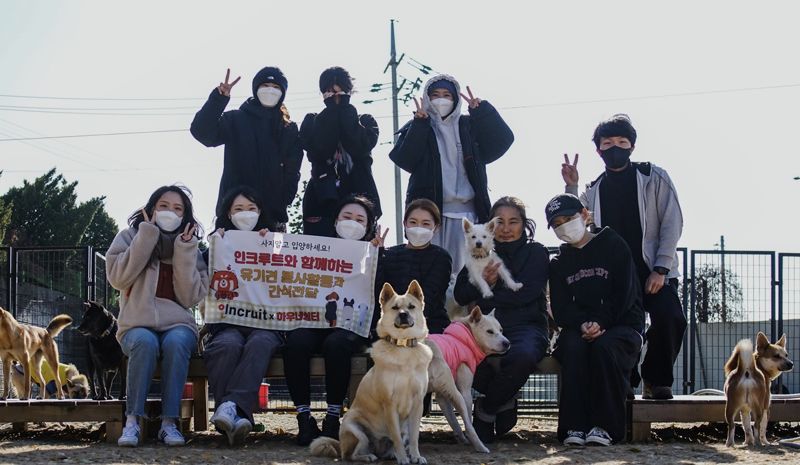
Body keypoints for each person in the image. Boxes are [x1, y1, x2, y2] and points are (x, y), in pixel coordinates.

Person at [561, 113, 685, 399]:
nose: (614, 147)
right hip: (615, 277)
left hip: (654, 270)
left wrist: (661, 268)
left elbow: (672, 221)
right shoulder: (594, 188)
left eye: (621, 141)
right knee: (619, 329)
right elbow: (575, 224)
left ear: (632, 146)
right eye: (607, 143)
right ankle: (625, 382)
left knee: (670, 318)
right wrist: (572, 186)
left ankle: (656, 381)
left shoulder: (653, 177)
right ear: (598, 150)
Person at [106, 185, 208, 447]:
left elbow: (189, 298)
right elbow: (118, 278)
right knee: (145, 341)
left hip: (178, 324)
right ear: (151, 209)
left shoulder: (191, 248)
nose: (170, 212)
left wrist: (185, 251)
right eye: (164, 206)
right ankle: (133, 422)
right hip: (135, 324)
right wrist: (147, 236)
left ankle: (169, 423)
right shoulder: (129, 237)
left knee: (175, 342)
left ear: (185, 216)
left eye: (178, 208)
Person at [284, 195, 386, 446]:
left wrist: (380, 257)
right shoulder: (317, 247)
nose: (352, 223)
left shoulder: (375, 253)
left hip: (351, 326)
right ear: (336, 221)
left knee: (337, 344)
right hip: (314, 320)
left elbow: (382, 291)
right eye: (346, 217)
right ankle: (303, 417)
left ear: (368, 225)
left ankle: (332, 417)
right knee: (295, 342)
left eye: (360, 219)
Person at [389, 74, 514, 277]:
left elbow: (502, 141)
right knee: (430, 274)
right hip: (431, 217)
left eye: (447, 95)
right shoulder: (419, 126)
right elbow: (405, 159)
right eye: (436, 94)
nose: (441, 99)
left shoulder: (468, 126)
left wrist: (482, 112)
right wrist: (419, 125)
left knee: (469, 276)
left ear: (455, 100)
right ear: (427, 98)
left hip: (468, 216)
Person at [546, 193, 644, 446]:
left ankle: (607, 427)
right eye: (557, 223)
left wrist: (601, 322)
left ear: (585, 215)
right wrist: (582, 324)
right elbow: (561, 307)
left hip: (621, 325)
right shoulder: (558, 262)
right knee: (572, 348)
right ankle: (573, 427)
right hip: (578, 328)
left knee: (604, 348)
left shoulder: (613, 244)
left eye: (569, 218)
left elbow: (625, 293)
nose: (564, 226)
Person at [453, 196, 549, 443]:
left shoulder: (536, 252)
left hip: (527, 326)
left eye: (513, 221)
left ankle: (487, 409)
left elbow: (527, 293)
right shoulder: (479, 251)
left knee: (523, 356)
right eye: (500, 222)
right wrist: (483, 283)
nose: (506, 228)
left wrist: (491, 289)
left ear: (524, 224)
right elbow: (460, 294)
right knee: (467, 360)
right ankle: (505, 400)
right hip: (485, 329)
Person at [202, 186, 284, 446]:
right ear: (228, 213)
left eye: (251, 209)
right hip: (228, 323)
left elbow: (291, 278)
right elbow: (201, 277)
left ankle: (229, 408)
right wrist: (215, 247)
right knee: (227, 345)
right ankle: (239, 415)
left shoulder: (276, 241)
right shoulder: (218, 243)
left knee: (260, 343)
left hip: (266, 324)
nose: (245, 214)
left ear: (260, 213)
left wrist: (272, 247)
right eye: (239, 209)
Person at [190, 66, 303, 231]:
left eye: (276, 87)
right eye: (265, 86)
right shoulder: (235, 119)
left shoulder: (288, 128)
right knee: (227, 256)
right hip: (233, 213)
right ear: (255, 88)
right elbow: (202, 132)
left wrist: (283, 200)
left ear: (283, 93)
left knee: (270, 258)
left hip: (272, 217)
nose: (270, 90)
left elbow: (293, 171)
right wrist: (219, 98)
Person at [300, 66, 381, 237]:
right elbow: (319, 150)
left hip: (360, 198)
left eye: (341, 92)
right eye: (329, 92)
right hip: (321, 197)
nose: (335, 96)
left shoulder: (366, 121)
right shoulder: (312, 121)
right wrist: (331, 112)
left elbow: (359, 147)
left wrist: (345, 110)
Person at [375, 198, 452, 334]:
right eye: (413, 222)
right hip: (390, 326)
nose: (418, 228)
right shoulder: (389, 254)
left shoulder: (441, 257)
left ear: (436, 227)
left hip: (429, 326)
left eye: (426, 224)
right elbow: (379, 292)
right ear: (405, 224)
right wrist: (378, 254)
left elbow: (429, 298)